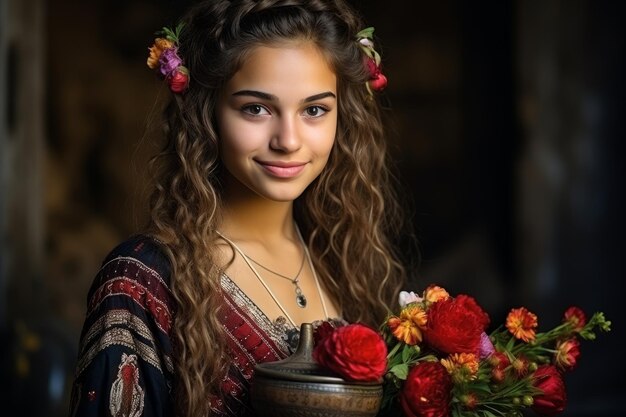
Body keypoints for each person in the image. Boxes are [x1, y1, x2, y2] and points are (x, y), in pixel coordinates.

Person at [69, 0, 411, 416]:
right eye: (256, 109)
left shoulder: (344, 260)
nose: (288, 140)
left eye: (314, 110)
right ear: (207, 113)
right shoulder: (143, 282)